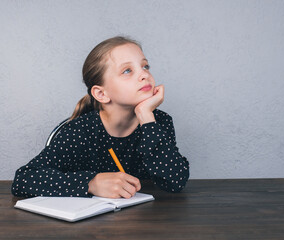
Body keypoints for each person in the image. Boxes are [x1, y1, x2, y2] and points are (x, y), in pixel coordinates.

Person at [11, 36, 190, 199]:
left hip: (145, 221)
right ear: (101, 93)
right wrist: (91, 183)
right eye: (127, 71)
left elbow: (175, 182)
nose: (144, 75)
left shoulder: (157, 122)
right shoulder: (79, 132)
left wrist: (146, 117)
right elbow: (23, 179)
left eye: (145, 66)